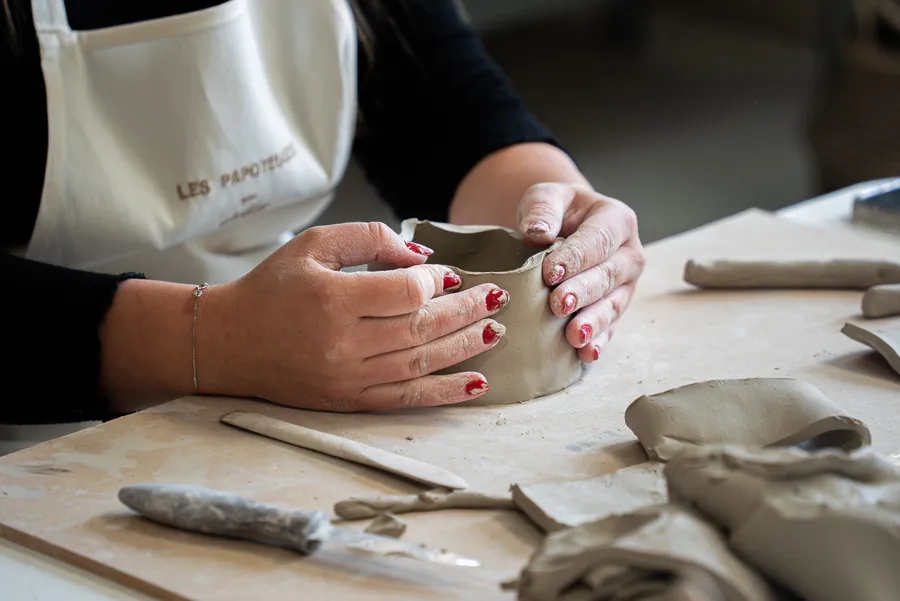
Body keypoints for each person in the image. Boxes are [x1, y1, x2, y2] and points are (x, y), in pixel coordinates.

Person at [1, 0, 646, 425]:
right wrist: (216, 340)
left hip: (306, 362)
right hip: (46, 409)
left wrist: (558, 216)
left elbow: (453, 114)